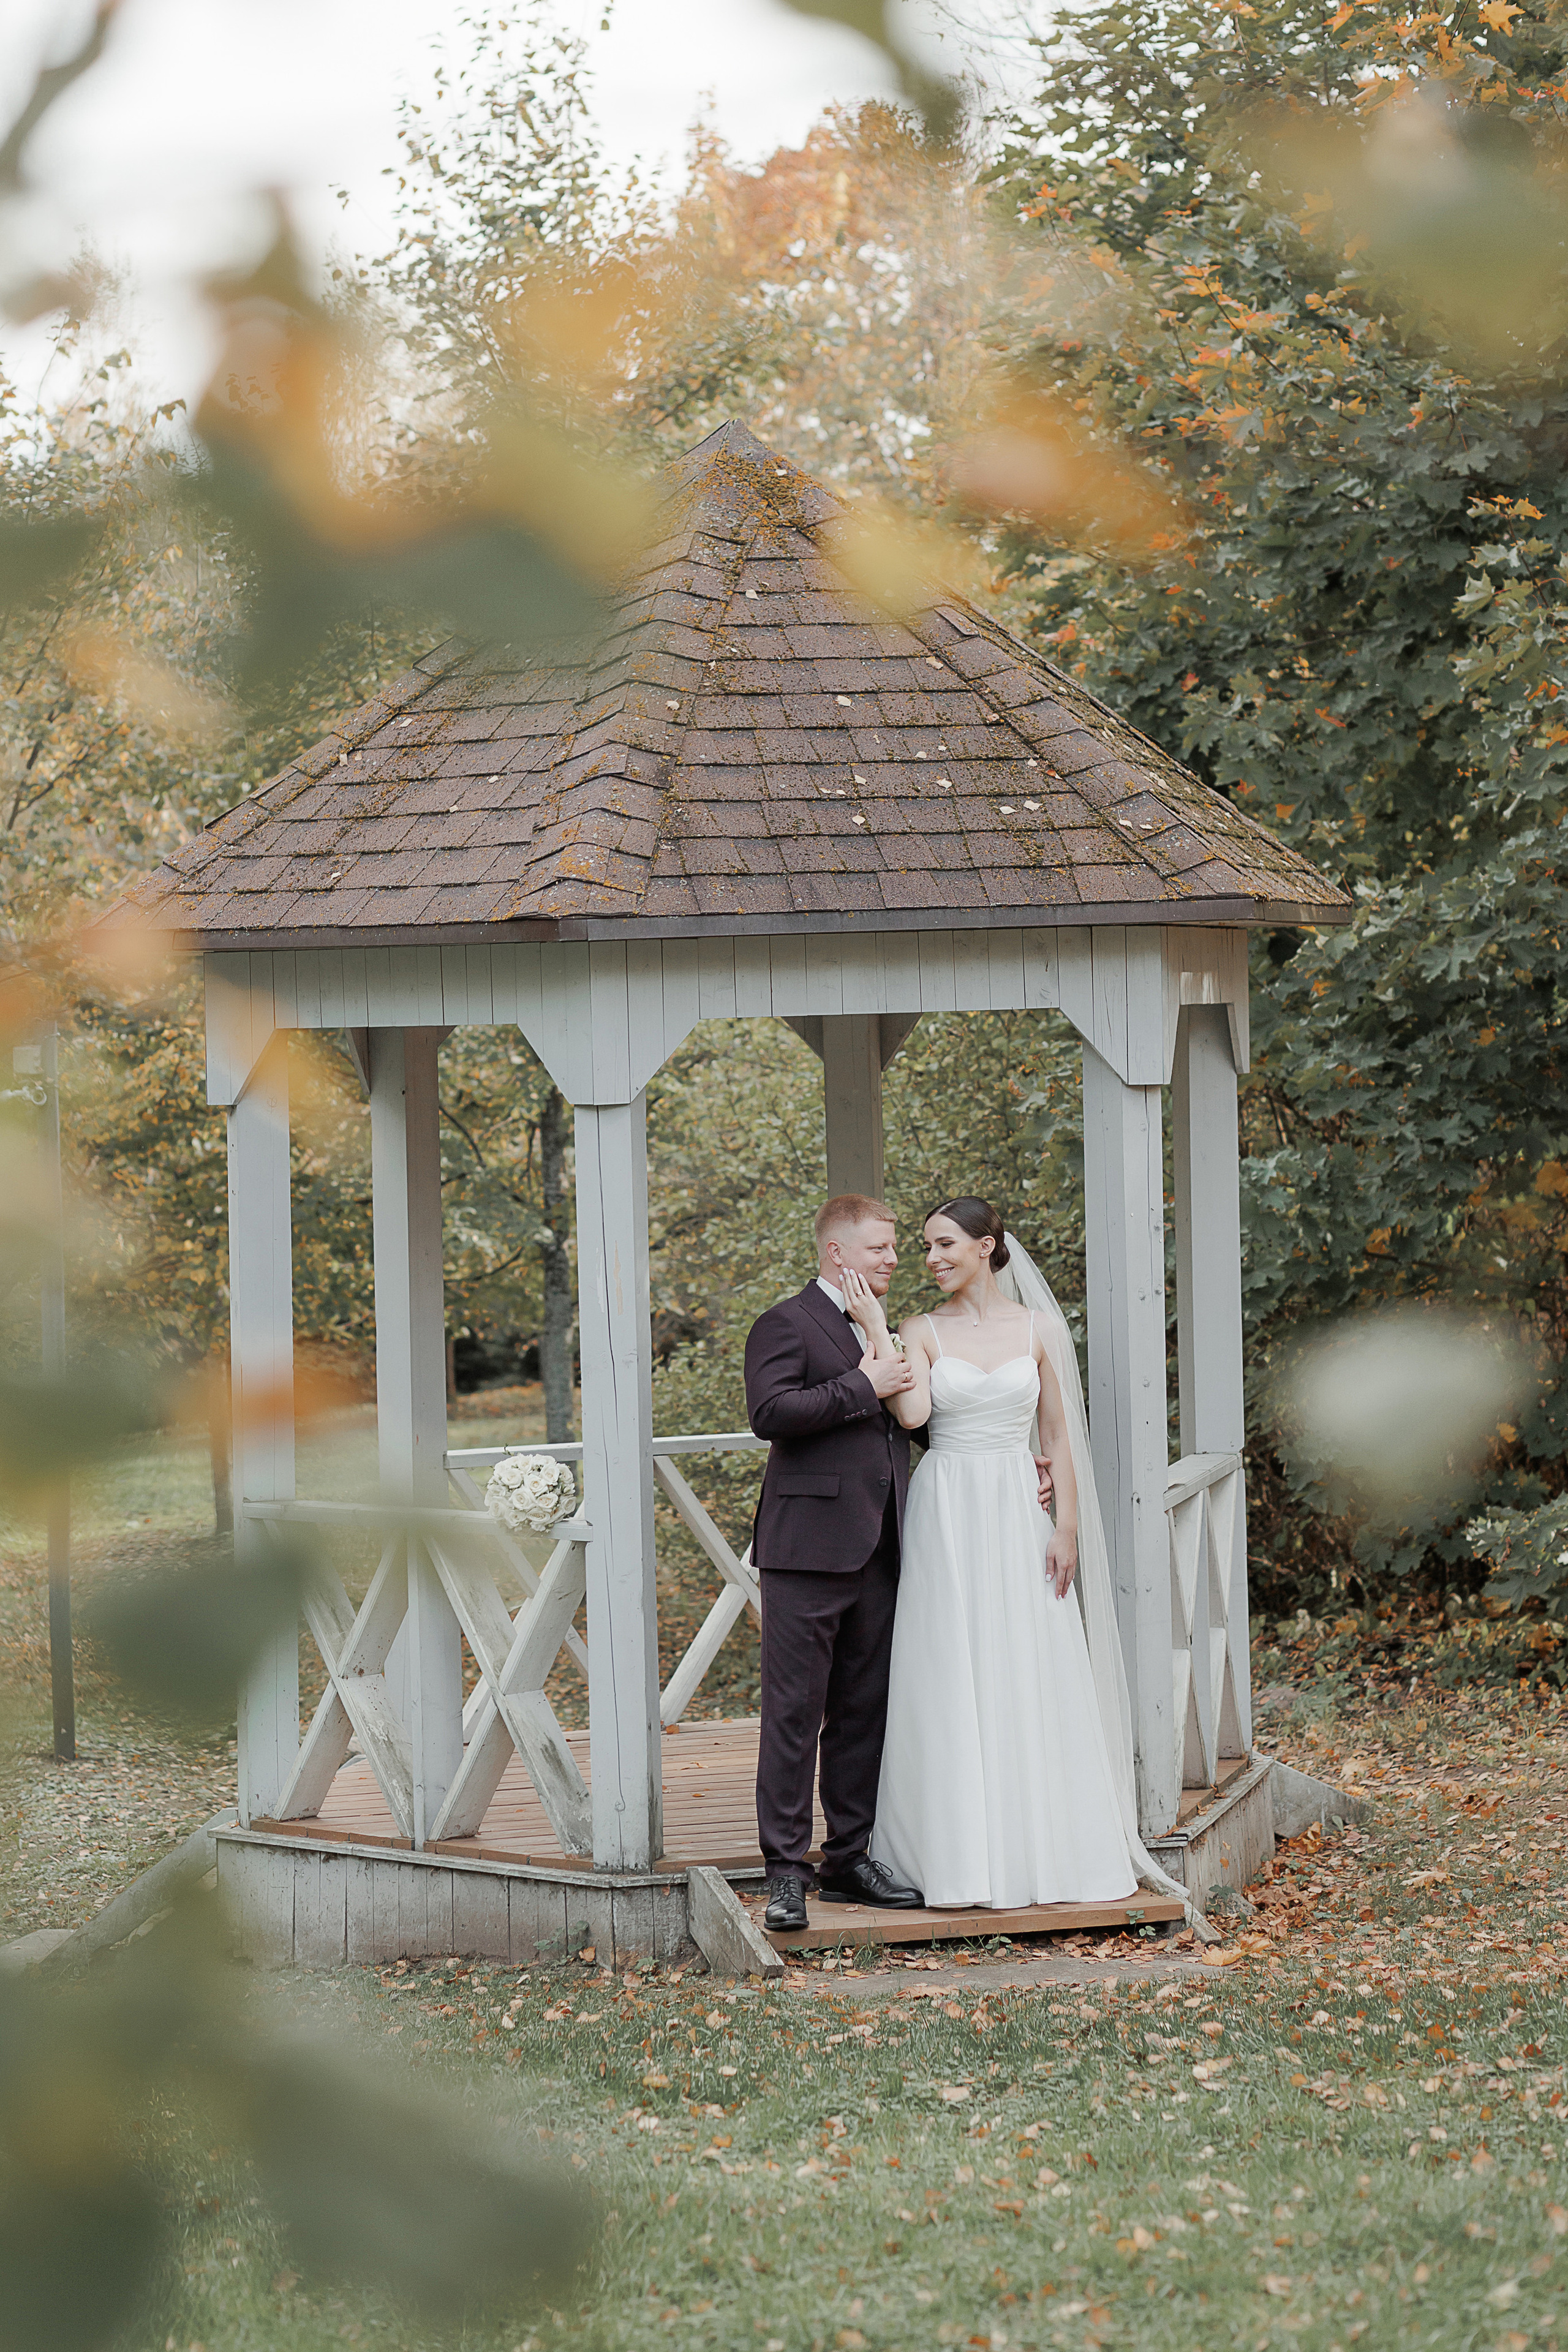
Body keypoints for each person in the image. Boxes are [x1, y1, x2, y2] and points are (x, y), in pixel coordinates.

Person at [843, 1196, 1185, 1913]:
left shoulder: (1039, 1329)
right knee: (948, 1663)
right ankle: (955, 1856)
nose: (929, 1258)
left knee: (1026, 1660)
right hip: (947, 1506)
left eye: (943, 1244)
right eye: (926, 1246)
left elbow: (1057, 1436)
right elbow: (914, 1415)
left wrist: (1066, 1527)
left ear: (986, 1245)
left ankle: (1039, 1849)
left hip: (1016, 1504)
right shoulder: (919, 1329)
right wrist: (876, 1328)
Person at [742, 1194, 927, 1932]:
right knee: (793, 1713)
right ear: (837, 1253)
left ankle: (849, 1859)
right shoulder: (785, 1323)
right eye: (879, 1248)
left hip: (882, 1546)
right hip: (806, 1550)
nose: (893, 1259)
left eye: (892, 1248)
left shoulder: (884, 1325)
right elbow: (770, 1414)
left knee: (861, 1712)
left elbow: (915, 1424)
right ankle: (785, 1874)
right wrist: (862, 1385)